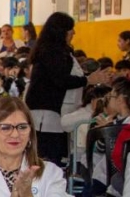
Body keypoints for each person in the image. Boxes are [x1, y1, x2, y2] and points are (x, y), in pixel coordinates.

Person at [25, 12, 111, 164]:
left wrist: (88, 77)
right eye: (71, 29)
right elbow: (60, 79)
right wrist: (87, 80)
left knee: (55, 157)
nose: (74, 33)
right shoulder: (52, 52)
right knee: (47, 158)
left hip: (58, 112)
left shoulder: (59, 51)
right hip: (47, 112)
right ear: (61, 31)